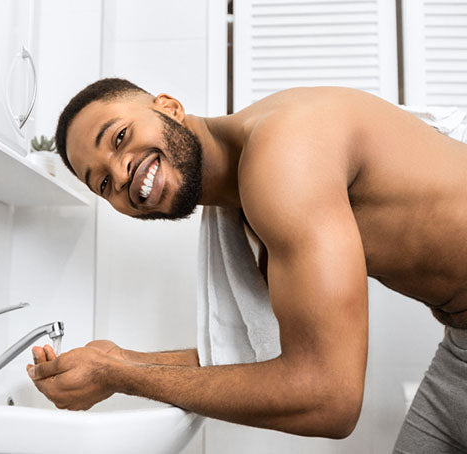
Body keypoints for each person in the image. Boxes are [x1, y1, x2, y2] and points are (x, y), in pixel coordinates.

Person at [26, 78, 467, 451]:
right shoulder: (244, 203)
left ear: (170, 108)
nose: (120, 175)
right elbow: (264, 358)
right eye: (103, 183)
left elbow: (328, 398)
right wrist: (122, 360)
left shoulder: (282, 155)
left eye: (119, 137)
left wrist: (121, 376)